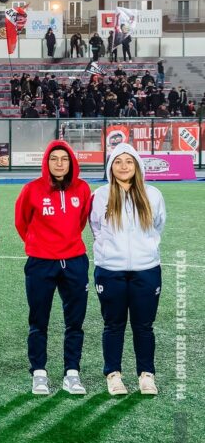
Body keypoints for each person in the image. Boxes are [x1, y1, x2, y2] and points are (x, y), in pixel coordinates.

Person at [14, 141, 93, 396]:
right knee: (39, 321)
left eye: (64, 159)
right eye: (54, 158)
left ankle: (72, 373)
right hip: (41, 263)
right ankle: (39, 373)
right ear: (46, 162)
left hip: (74, 261)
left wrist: (66, 245)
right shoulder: (31, 189)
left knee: (75, 322)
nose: (59, 163)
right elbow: (21, 222)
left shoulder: (82, 189)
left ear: (71, 163)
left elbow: (81, 221)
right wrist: (40, 245)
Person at [89, 144, 166, 396]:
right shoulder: (100, 196)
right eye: (118, 161)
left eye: (129, 161)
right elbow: (96, 228)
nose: (124, 166)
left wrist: (145, 250)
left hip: (146, 270)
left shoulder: (153, 194)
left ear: (137, 166)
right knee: (113, 325)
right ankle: (113, 374)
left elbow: (158, 225)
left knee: (144, 326)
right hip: (110, 270)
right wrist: (111, 252)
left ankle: (146, 375)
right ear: (110, 166)